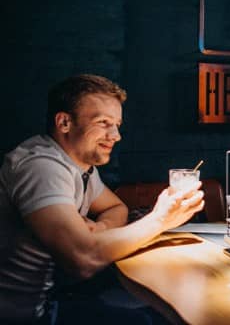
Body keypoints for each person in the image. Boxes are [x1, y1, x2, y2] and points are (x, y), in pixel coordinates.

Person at [0, 74, 204, 324]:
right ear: (64, 122)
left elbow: (116, 206)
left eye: (117, 124)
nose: (116, 135)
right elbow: (82, 260)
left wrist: (101, 229)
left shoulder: (79, 165)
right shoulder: (41, 167)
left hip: (55, 297)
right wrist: (160, 219)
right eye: (104, 122)